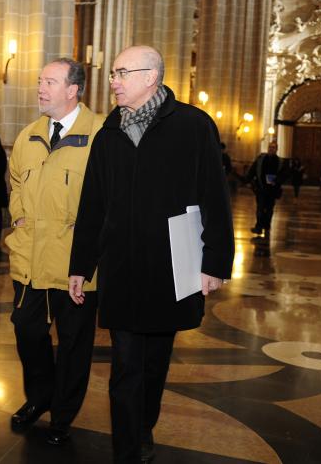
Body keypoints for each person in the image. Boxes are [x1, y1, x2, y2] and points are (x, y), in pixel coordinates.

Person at [68, 46, 234, 463]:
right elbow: (93, 204)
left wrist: (214, 262)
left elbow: (215, 195)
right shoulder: (109, 132)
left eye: (122, 73)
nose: (113, 81)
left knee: (155, 361)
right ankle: (126, 447)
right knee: (125, 364)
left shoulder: (194, 126)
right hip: (121, 266)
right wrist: (80, 266)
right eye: (113, 73)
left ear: (151, 77)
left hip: (171, 265)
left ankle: (143, 426)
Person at [6, 58, 105, 446]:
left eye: (49, 81)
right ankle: (39, 397)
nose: (40, 88)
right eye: (39, 81)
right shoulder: (29, 135)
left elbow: (107, 201)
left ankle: (62, 415)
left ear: (73, 89)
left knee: (74, 345)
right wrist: (17, 220)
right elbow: (15, 185)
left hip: (75, 265)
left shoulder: (99, 135)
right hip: (29, 260)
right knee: (27, 332)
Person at [246, 141, 282, 236]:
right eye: (270, 147)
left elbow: (283, 175)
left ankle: (267, 227)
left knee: (269, 209)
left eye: (273, 147)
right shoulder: (261, 159)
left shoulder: (279, 161)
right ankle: (258, 227)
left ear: (276, 149)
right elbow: (252, 170)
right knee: (260, 209)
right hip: (261, 188)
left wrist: (277, 181)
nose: (271, 149)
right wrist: (248, 181)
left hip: (272, 190)